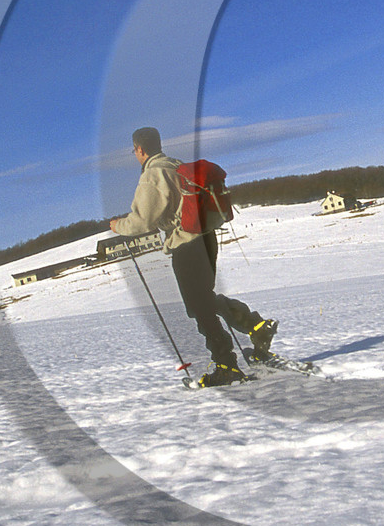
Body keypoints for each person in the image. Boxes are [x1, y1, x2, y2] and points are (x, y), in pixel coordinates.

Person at [109, 127, 278, 387]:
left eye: (135, 151)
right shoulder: (176, 165)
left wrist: (117, 226)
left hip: (187, 245)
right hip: (207, 238)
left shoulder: (153, 175)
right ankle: (256, 327)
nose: (136, 155)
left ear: (140, 149)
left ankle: (226, 366)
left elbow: (143, 221)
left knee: (199, 307)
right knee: (205, 300)